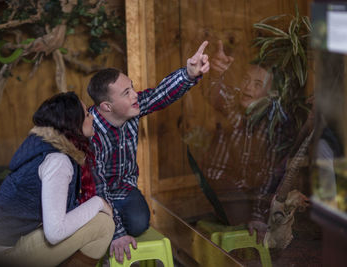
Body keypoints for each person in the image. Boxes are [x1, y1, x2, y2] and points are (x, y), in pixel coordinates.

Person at [87, 41, 210, 263]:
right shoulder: (89, 132)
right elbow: (97, 187)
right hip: (91, 195)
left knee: (139, 222)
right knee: (103, 230)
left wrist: (189, 74)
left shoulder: (131, 110)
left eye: (132, 87)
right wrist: (117, 235)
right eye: (127, 92)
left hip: (123, 190)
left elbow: (160, 94)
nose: (135, 95)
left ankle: (110, 227)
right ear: (107, 106)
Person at [0, 92, 114, 267]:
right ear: (72, 123)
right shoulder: (58, 161)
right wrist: (98, 202)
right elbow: (55, 232)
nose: (92, 117)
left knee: (88, 219)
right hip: (0, 253)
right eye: (86, 114)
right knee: (103, 224)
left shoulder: (45, 145)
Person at [202, 40, 289, 244]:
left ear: (271, 94)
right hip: (222, 180)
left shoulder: (275, 123)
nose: (248, 87)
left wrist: (258, 214)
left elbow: (271, 173)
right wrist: (215, 75)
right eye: (246, 80)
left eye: (257, 84)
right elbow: (215, 94)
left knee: (267, 221)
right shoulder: (235, 101)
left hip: (250, 188)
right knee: (242, 221)